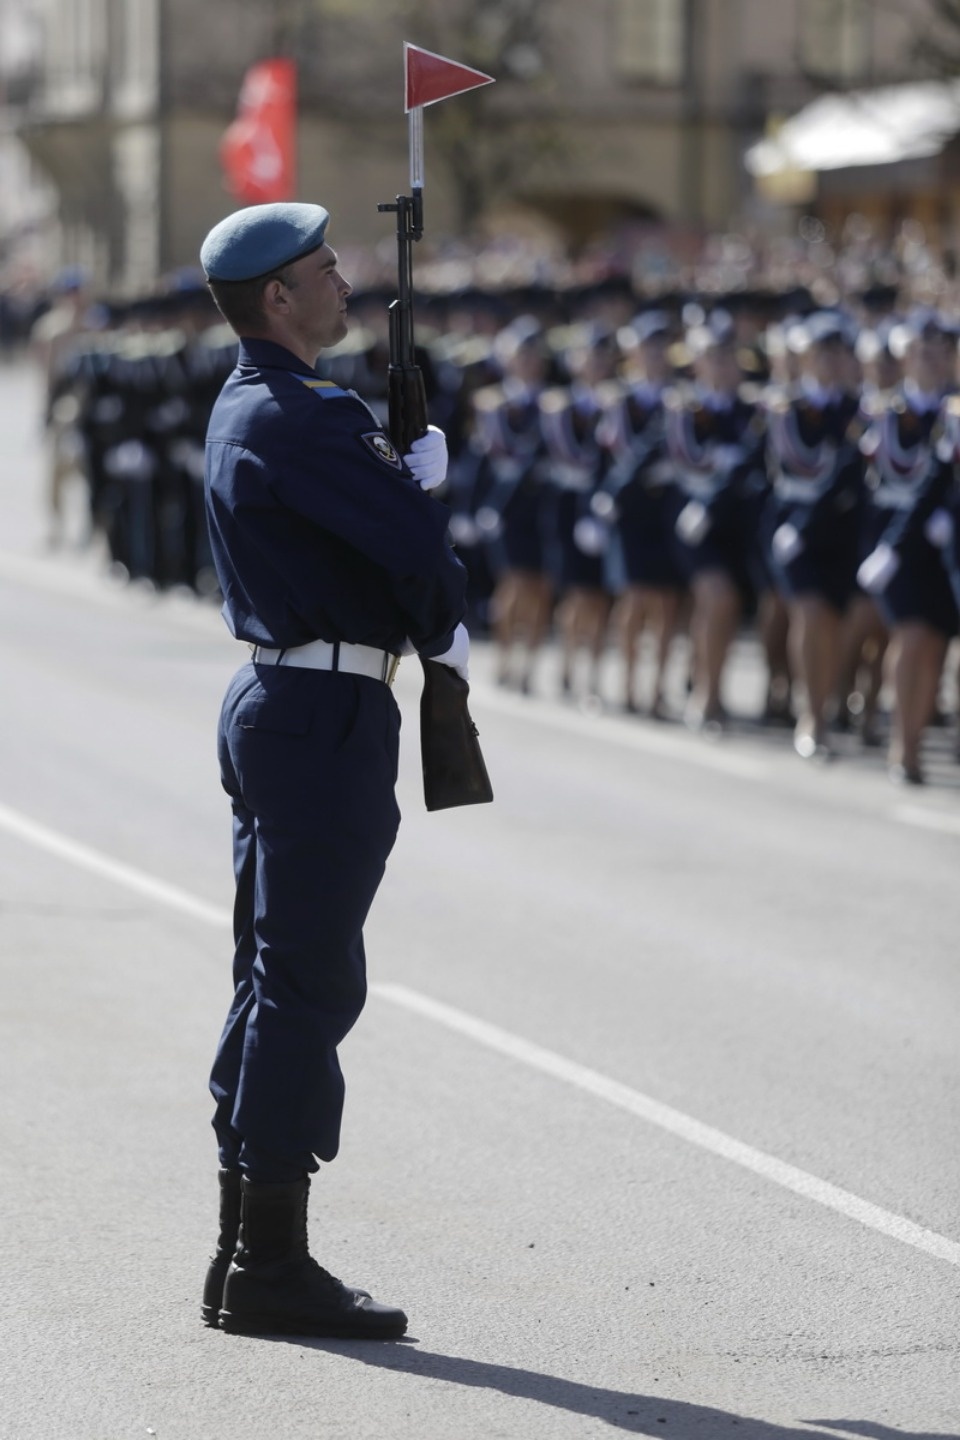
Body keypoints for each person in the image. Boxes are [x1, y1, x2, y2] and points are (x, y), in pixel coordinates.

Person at [197, 202, 468, 1339]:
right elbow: (416, 557)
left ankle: (241, 1251)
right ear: (277, 299)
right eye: (323, 269)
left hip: (285, 700)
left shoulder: (252, 402)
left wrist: (394, 472)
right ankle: (269, 1265)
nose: (345, 280)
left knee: (273, 980)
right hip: (322, 710)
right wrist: (418, 491)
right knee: (308, 984)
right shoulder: (305, 415)